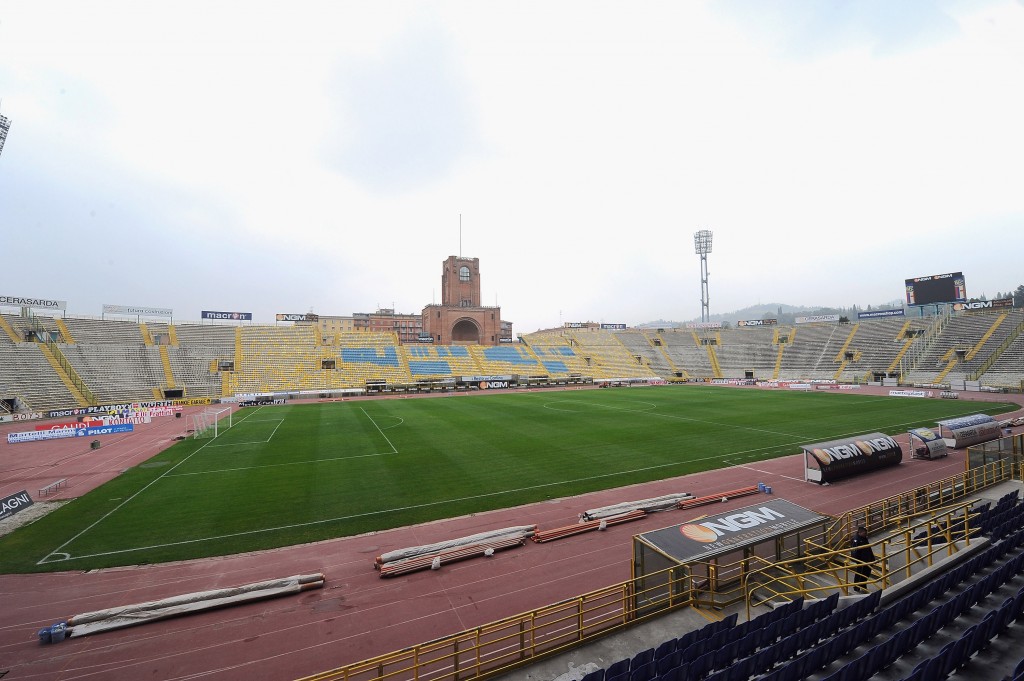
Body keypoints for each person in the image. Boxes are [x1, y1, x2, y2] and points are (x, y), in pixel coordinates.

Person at [851, 526, 875, 593]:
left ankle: (863, 585)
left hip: (867, 559)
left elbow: (868, 548)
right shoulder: (856, 540)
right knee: (860, 573)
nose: (866, 534)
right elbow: (854, 552)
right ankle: (856, 587)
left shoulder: (864, 538)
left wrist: (872, 558)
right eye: (864, 533)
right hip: (861, 561)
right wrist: (858, 561)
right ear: (860, 533)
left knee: (867, 573)